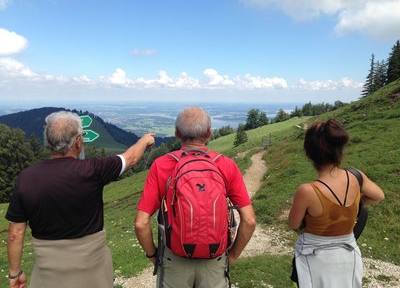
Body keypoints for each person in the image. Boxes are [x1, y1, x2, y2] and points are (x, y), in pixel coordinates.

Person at [6, 111, 155, 288]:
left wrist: (15, 273)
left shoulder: (26, 178)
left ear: (48, 143)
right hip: (93, 271)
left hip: (48, 273)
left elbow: (15, 233)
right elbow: (131, 158)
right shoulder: (93, 170)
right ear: (78, 142)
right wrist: (145, 140)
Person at [135, 107, 256, 288]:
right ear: (209, 133)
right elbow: (250, 220)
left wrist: (153, 255)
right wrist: (232, 256)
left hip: (174, 258)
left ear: (177, 133)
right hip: (215, 260)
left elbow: (141, 223)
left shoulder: (161, 165)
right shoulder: (226, 165)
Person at [288, 118, 385, 288]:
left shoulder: (307, 190)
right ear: (339, 150)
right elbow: (379, 196)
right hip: (348, 254)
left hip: (315, 258)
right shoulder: (356, 177)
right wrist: (355, 205)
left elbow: (293, 223)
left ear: (308, 153)